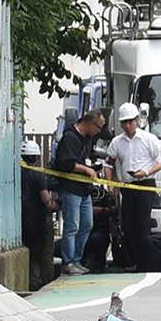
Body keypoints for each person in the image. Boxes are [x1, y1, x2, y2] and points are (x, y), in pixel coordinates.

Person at [105, 102, 161, 272]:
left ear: (138, 120)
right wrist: (110, 184)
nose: (127, 125)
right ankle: (131, 261)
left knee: (143, 224)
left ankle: (145, 262)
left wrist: (146, 172)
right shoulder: (117, 142)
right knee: (129, 224)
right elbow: (108, 163)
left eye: (131, 121)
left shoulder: (149, 139)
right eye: (124, 122)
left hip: (145, 184)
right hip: (128, 186)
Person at [53, 109, 104, 275]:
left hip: (84, 189)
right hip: (71, 188)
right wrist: (85, 169)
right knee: (72, 226)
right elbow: (65, 164)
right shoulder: (69, 138)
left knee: (87, 224)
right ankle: (67, 262)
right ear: (90, 123)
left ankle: (77, 258)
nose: (99, 131)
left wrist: (92, 168)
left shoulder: (87, 139)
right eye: (98, 127)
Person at [21, 140, 58, 290]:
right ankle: (47, 283)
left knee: (33, 253)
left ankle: (34, 280)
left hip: (25, 219)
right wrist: (55, 205)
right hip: (41, 219)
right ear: (36, 157)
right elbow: (45, 199)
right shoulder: (38, 175)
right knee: (46, 254)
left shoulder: (18, 172)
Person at [80, 186, 119, 273]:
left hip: (99, 231)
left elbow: (115, 209)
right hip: (80, 233)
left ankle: (98, 264)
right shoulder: (74, 192)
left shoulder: (100, 192)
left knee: (97, 239)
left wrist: (101, 210)